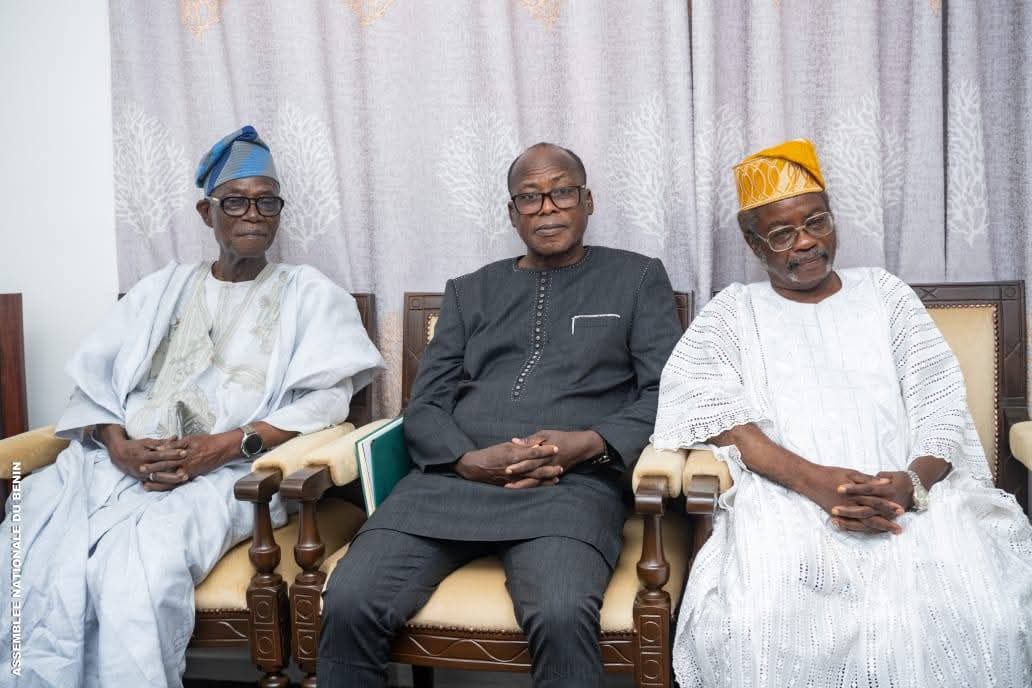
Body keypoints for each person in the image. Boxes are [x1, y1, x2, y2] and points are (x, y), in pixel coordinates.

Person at [0, 126, 384, 688]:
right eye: (236, 202)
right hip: (111, 469)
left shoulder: (310, 293)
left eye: (267, 202)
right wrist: (119, 448)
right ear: (207, 213)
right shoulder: (160, 289)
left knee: (136, 569)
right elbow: (93, 387)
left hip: (230, 479)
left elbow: (327, 400)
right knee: (24, 550)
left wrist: (227, 446)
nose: (253, 214)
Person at [654, 138, 1032, 687]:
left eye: (817, 222)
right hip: (785, 502)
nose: (806, 241)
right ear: (753, 242)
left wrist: (909, 485)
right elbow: (721, 421)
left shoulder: (884, 293)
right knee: (758, 623)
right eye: (783, 233)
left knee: (982, 612)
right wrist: (816, 483)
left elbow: (941, 402)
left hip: (913, 498)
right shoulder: (733, 312)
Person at [318, 142, 683, 687]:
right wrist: (466, 460)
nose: (547, 208)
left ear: (587, 201)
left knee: (561, 613)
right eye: (530, 198)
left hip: (569, 488)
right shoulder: (470, 291)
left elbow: (666, 393)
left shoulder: (636, 278)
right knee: (349, 601)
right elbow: (427, 403)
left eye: (562, 192)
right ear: (513, 213)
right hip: (448, 487)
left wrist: (588, 443)